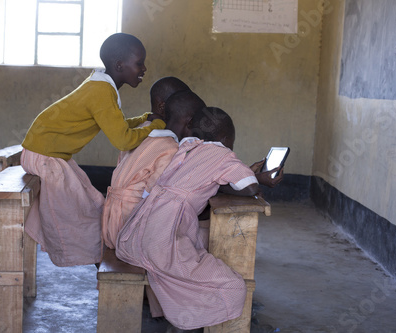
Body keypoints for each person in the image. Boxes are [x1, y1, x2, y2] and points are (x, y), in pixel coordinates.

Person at [115, 107, 283, 331]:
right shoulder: (224, 155)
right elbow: (249, 186)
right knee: (233, 287)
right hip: (163, 241)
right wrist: (259, 179)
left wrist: (247, 172)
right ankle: (188, 322)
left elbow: (210, 184)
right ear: (226, 139)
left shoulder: (187, 146)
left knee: (197, 260)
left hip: (135, 234)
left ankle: (183, 317)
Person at [20, 33, 166, 267]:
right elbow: (123, 140)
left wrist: (142, 120)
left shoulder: (102, 86)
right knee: (82, 213)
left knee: (95, 204)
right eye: (139, 63)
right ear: (120, 65)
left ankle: (104, 263)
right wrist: (157, 125)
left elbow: (115, 124)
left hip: (51, 155)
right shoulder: (101, 91)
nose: (144, 68)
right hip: (44, 157)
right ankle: (103, 265)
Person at [102, 80, 199, 250]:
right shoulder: (169, 147)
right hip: (129, 227)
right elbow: (154, 194)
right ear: (164, 107)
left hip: (110, 218)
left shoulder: (138, 131)